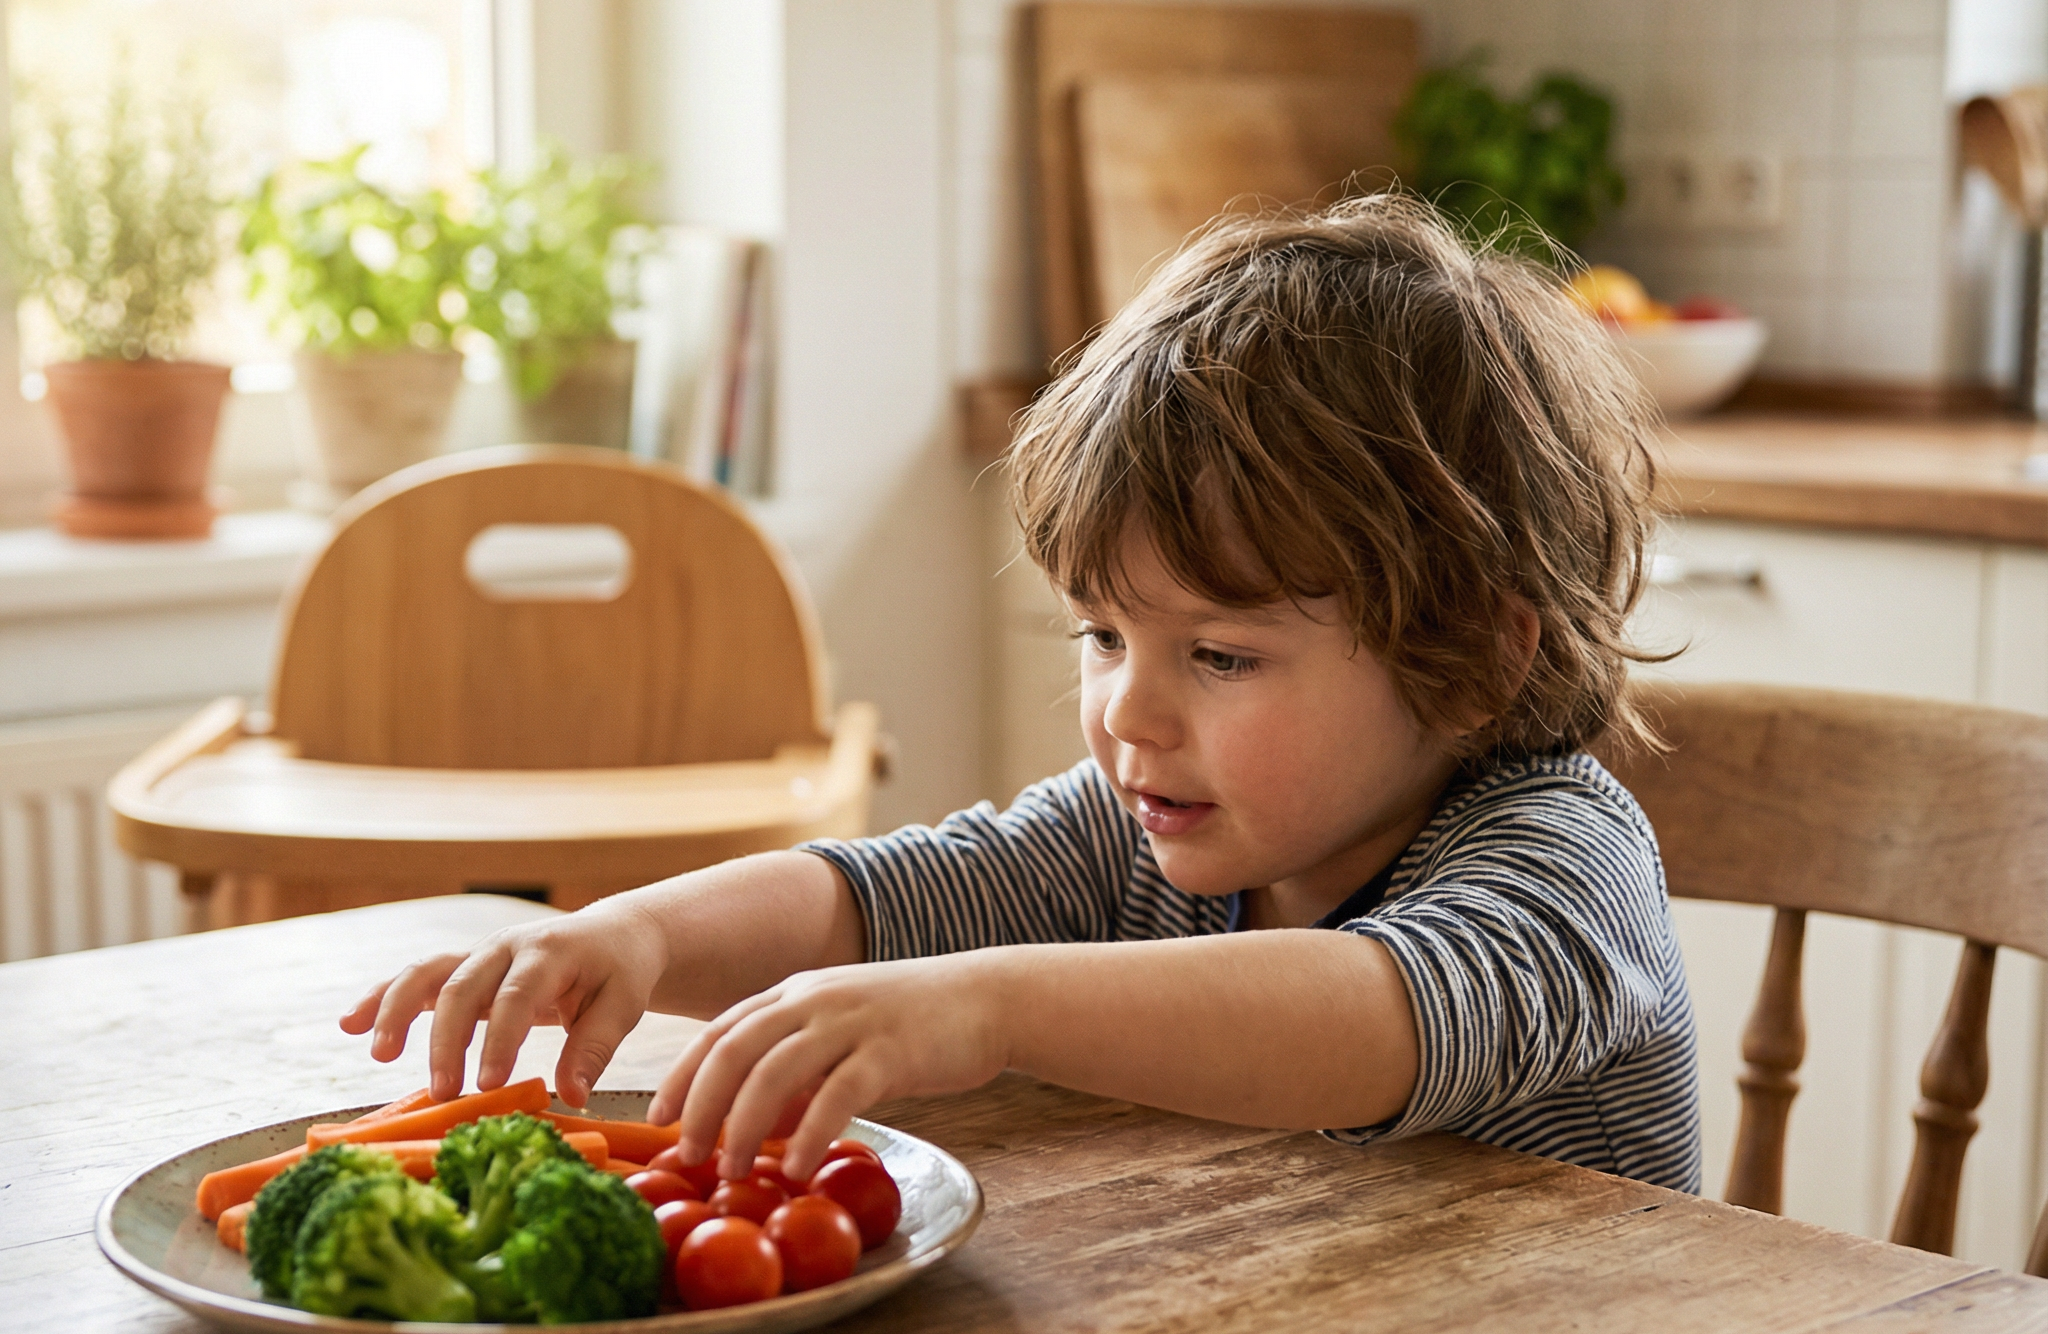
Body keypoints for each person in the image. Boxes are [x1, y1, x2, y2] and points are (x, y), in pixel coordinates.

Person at [344, 195, 1701, 1194]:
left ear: (1470, 659)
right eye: (1104, 637)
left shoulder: (1562, 862)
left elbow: (1391, 1014)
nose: (1129, 715)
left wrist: (982, 1010)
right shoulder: (1152, 826)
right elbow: (891, 895)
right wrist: (637, 936)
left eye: (1219, 657)